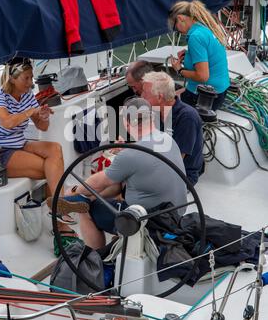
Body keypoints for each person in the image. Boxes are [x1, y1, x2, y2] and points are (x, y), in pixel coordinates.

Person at [50, 98, 187, 250]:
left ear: (128, 123)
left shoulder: (131, 156)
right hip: (175, 215)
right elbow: (142, 156)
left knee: (86, 210)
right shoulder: (167, 139)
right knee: (119, 183)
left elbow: (98, 182)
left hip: (144, 222)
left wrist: (72, 190)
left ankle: (96, 258)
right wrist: (125, 149)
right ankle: (83, 199)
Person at [0, 56, 81, 253]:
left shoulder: (27, 96)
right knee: (50, 168)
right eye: (26, 78)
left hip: (18, 143)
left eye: (31, 78)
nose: (31, 83)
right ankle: (60, 221)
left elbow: (42, 126)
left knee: (55, 150)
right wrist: (30, 112)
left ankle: (59, 209)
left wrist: (41, 116)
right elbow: (7, 122)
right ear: (12, 78)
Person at [141, 71, 204, 185]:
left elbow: (175, 161)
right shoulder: (154, 112)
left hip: (181, 176)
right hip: (157, 165)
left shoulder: (187, 118)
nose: (141, 97)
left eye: (145, 93)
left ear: (159, 98)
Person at [169, 0, 230, 111]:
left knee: (162, 107)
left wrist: (179, 70)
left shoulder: (195, 37)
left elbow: (202, 76)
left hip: (205, 98)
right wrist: (189, 55)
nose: (177, 30)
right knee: (175, 94)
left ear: (180, 18)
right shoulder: (205, 29)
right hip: (219, 91)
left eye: (175, 27)